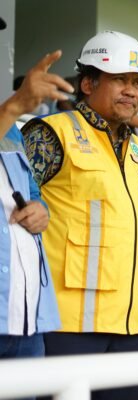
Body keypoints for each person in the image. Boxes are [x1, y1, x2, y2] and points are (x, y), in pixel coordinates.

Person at [21, 31, 138, 400]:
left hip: (130, 325)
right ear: (86, 83)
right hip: (68, 325)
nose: (131, 91)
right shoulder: (51, 133)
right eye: (119, 80)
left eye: (137, 83)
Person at [0, 43, 71, 378]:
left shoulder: (9, 125)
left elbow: (30, 191)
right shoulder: (8, 115)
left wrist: (40, 210)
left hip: (25, 318)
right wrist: (13, 108)